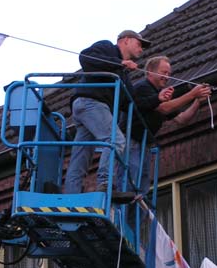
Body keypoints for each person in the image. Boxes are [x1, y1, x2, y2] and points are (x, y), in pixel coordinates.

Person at [63, 30, 151, 194]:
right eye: (139, 44)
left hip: (89, 108)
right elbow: (86, 58)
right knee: (116, 141)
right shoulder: (107, 47)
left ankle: (70, 195)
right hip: (91, 103)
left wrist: (158, 99)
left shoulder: (123, 74)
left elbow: (132, 101)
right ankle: (105, 183)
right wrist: (120, 63)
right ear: (125, 40)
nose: (141, 49)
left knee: (81, 155)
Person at [118, 55, 212, 196]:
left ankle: (135, 215)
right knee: (130, 184)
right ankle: (124, 215)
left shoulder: (160, 94)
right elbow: (164, 108)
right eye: (164, 72)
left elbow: (181, 119)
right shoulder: (142, 87)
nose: (167, 77)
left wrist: (197, 101)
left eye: (169, 74)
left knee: (141, 189)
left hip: (144, 144)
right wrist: (192, 94)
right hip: (131, 141)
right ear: (150, 71)